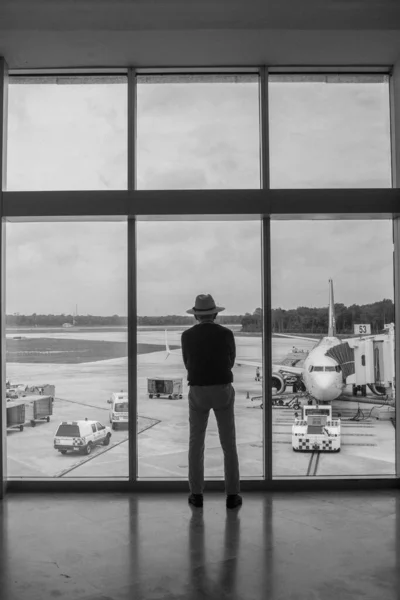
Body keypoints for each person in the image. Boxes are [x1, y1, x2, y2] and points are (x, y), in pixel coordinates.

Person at [181, 293, 242, 510]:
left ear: (195, 316)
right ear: (215, 314)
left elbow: (188, 364)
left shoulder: (186, 336)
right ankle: (232, 495)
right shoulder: (226, 334)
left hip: (197, 389)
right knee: (229, 443)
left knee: (196, 443)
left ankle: (196, 494)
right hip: (222, 388)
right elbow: (231, 361)